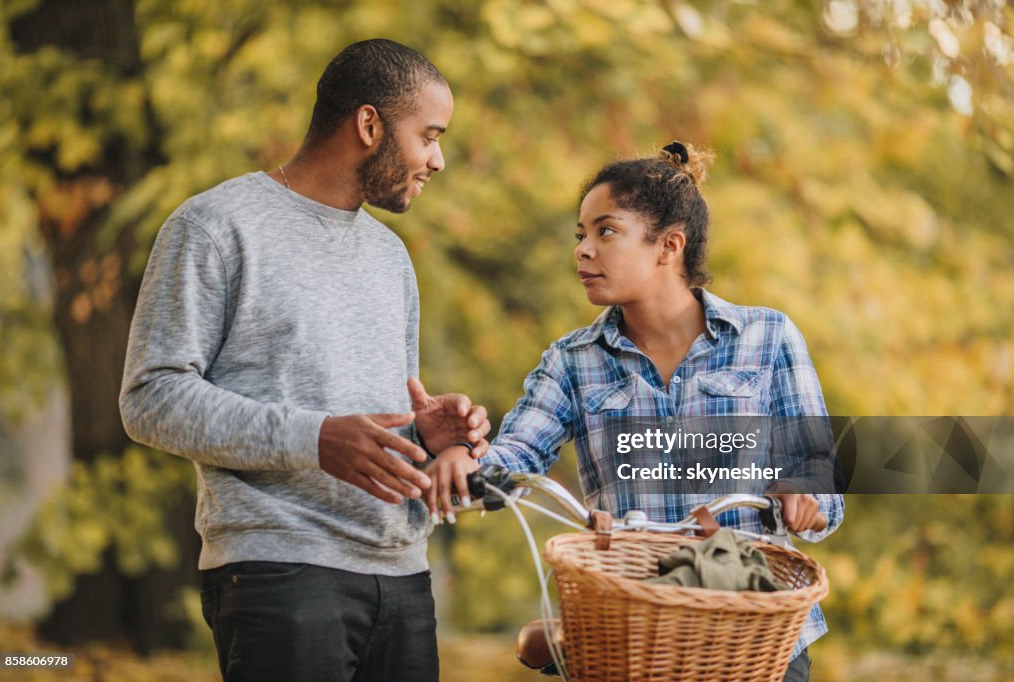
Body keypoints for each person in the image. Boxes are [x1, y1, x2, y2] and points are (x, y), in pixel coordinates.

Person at [120, 39, 490, 682]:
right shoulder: (215, 226)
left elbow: (367, 424)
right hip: (281, 573)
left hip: (402, 578)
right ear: (369, 125)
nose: (439, 159)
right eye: (428, 136)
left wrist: (426, 438)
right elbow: (150, 397)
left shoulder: (390, 258)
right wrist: (313, 439)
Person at [425, 142, 844, 682]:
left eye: (605, 231)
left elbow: (821, 478)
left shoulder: (767, 337)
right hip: (633, 635)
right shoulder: (572, 360)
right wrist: (464, 457)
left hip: (752, 635)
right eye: (580, 234)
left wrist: (803, 493)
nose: (582, 250)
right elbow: (517, 454)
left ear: (669, 246)